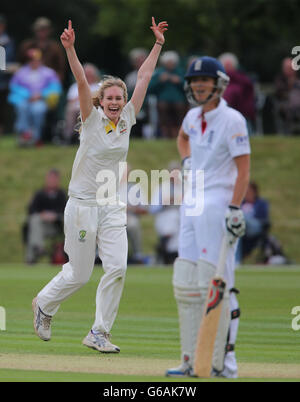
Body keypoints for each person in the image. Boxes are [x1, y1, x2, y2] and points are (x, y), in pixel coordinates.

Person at [32, 18, 168, 353]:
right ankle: (45, 305)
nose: (115, 102)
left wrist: (158, 45)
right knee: (79, 274)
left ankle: (99, 332)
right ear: (100, 100)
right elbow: (81, 80)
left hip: (111, 203)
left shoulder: (128, 120)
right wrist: (69, 48)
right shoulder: (91, 121)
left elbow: (146, 77)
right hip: (82, 204)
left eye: (119, 97)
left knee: (118, 267)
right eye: (109, 97)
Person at [166, 56, 250, 378]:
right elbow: (183, 138)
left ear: (219, 84)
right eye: (194, 81)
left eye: (205, 81)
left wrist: (234, 207)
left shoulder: (233, 120)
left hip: (217, 201)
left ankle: (223, 363)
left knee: (215, 283)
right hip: (192, 200)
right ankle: (191, 360)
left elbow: (244, 169)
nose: (199, 86)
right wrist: (186, 162)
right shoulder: (191, 116)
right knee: (185, 281)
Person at [8, 47, 62, 146]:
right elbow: (14, 87)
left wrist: (41, 95)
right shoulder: (21, 72)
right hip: (25, 99)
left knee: (37, 110)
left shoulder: (49, 73)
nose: (34, 62)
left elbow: (55, 88)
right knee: (22, 108)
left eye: (36, 60)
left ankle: (37, 137)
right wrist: (27, 95)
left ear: (41, 60)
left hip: (42, 100)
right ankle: (24, 134)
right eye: (31, 60)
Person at [24, 169, 67, 264]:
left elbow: (66, 211)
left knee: (33, 231)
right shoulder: (39, 194)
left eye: (54, 179)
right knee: (34, 221)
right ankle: (36, 250)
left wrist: (54, 216)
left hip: (56, 227)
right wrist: (42, 215)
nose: (52, 181)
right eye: (50, 178)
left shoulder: (62, 195)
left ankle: (36, 249)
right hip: (41, 226)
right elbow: (31, 210)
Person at [149, 161, 182, 264]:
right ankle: (166, 253)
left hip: (182, 216)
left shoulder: (185, 187)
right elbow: (152, 208)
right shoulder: (162, 188)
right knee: (172, 218)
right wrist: (164, 203)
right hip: (164, 216)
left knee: (177, 218)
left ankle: (171, 254)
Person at [149, 50, 187, 138]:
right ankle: (165, 134)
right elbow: (150, 88)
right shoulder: (158, 72)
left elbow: (188, 87)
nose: (170, 64)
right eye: (168, 62)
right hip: (162, 101)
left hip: (179, 102)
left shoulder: (181, 72)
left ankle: (177, 134)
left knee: (179, 109)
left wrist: (180, 81)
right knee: (163, 110)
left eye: (172, 62)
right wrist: (159, 81)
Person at [19, 17, 66, 83]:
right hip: (29, 82)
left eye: (45, 29)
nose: (42, 32)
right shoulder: (27, 46)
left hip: (50, 82)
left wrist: (56, 84)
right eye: (40, 29)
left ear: (49, 30)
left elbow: (60, 69)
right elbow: (21, 65)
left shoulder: (56, 48)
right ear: (35, 30)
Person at [219, 52, 256, 135]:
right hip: (238, 112)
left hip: (241, 111)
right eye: (226, 65)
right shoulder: (244, 78)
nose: (228, 68)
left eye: (229, 65)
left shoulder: (242, 79)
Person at [64, 63, 101, 143]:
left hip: (93, 107)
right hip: (77, 107)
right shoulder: (74, 86)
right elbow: (70, 101)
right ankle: (69, 136)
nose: (88, 77)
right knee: (71, 109)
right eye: (86, 74)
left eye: (90, 74)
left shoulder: (99, 86)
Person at [236, 181, 270, 264]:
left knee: (240, 216)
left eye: (249, 191)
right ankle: (236, 260)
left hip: (255, 226)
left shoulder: (261, 203)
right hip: (242, 227)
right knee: (237, 232)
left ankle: (241, 217)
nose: (247, 193)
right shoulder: (241, 203)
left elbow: (263, 218)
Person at [273, 57, 300, 135]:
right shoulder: (279, 79)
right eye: (288, 68)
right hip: (284, 106)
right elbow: (279, 93)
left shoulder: (298, 79)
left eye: (291, 68)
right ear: (283, 69)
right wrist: (290, 85)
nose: (290, 70)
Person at [0, 14, 17, 135]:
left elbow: (9, 60)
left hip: (4, 80)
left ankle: (3, 128)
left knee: (3, 106)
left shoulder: (9, 42)